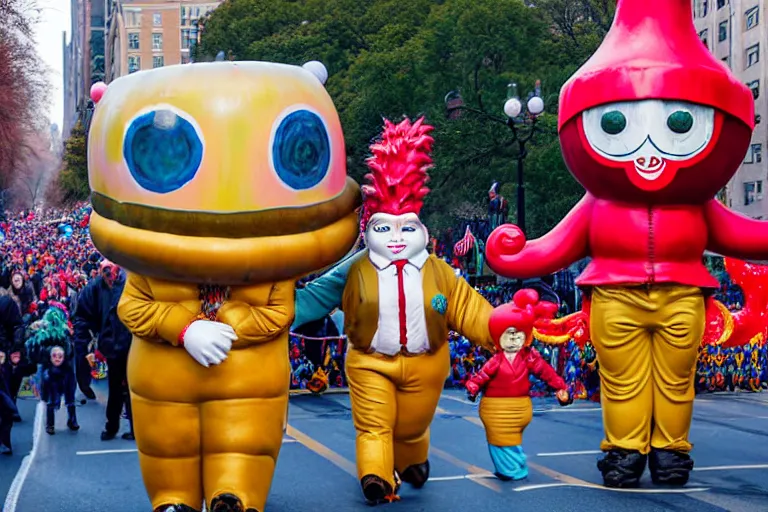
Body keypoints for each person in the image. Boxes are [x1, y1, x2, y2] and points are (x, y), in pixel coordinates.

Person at [295, 117, 495, 505]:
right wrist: (265, 307)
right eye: (386, 229)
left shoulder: (439, 272)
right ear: (370, 229)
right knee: (374, 425)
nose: (398, 238)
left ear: (420, 228)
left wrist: (503, 330)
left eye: (407, 228)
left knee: (411, 425)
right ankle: (376, 476)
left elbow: (471, 309)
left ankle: (414, 456)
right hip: (370, 362)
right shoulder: (352, 270)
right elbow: (310, 301)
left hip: (427, 362)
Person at [466, 290, 572, 481]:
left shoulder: (529, 357)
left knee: (510, 438)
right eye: (510, 334)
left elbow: (545, 371)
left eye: (518, 334)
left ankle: (514, 466)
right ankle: (511, 468)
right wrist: (473, 386)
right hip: (496, 407)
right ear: (499, 336)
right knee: (500, 438)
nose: (514, 339)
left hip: (519, 406)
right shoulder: (496, 360)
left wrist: (560, 387)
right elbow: (482, 375)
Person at [73, 259, 133, 440]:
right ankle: (113, 426)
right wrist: (83, 344)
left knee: (131, 388)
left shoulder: (129, 284)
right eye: (106, 273)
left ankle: (133, 428)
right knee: (116, 388)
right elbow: (83, 316)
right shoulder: (94, 289)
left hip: (129, 344)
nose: (109, 277)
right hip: (112, 345)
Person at [26, 303, 79, 435]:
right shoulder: (41, 334)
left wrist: (63, 353)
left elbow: (71, 351)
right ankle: (50, 424)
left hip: (65, 369)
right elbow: (34, 353)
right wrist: (50, 353)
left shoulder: (65, 332)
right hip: (49, 371)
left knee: (69, 394)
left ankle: (72, 420)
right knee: (50, 396)